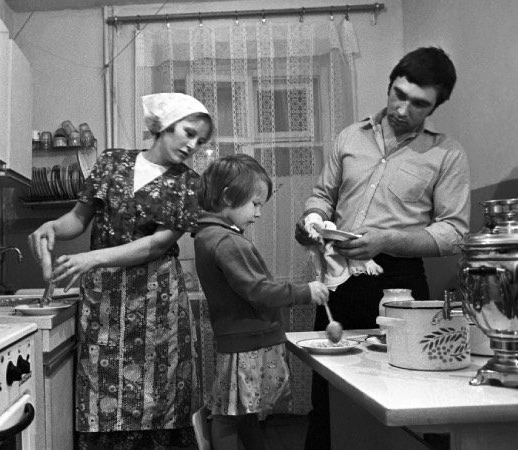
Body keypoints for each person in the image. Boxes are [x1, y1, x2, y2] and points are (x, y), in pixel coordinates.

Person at [295, 46, 470, 449]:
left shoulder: (447, 154)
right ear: (390, 84)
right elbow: (322, 195)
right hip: (339, 280)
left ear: (436, 106)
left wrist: (388, 240)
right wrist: (313, 220)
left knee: (403, 391)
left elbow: (454, 233)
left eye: (419, 103)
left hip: (399, 284)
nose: (403, 109)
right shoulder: (349, 137)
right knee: (328, 394)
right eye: (398, 94)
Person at [28, 92, 213, 449]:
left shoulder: (190, 183)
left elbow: (156, 244)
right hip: (106, 303)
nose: (193, 145)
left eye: (200, 141)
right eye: (188, 133)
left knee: (159, 397)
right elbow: (78, 218)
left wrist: (93, 259)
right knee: (102, 394)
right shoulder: (112, 162)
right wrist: (53, 226)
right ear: (164, 125)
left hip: (157, 303)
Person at [193, 154, 330, 450]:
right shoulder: (226, 240)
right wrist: (304, 292)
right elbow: (257, 290)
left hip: (240, 339)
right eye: (255, 204)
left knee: (244, 413)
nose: (258, 213)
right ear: (228, 196)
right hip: (246, 341)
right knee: (228, 418)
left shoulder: (211, 235)